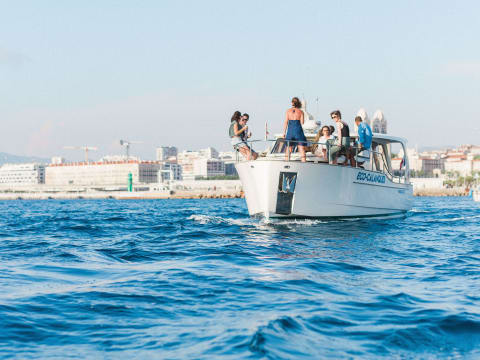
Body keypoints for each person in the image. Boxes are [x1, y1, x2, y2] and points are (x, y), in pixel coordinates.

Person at [283, 97, 307, 162]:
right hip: (298, 130)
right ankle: (304, 162)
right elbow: (302, 122)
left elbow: (286, 122)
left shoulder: (288, 111)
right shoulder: (301, 112)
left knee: (289, 148)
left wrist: (284, 133)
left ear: (292, 103)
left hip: (290, 131)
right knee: (301, 148)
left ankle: (286, 161)